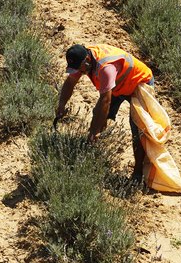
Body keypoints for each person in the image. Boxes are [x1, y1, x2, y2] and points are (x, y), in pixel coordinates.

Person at [55, 43, 154, 182]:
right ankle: (95, 156)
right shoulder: (83, 59)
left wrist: (94, 132)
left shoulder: (105, 68)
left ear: (87, 60)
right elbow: (71, 82)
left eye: (79, 68)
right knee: (98, 115)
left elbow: (105, 101)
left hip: (139, 83)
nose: (78, 72)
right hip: (118, 85)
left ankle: (138, 174)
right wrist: (61, 104)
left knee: (138, 129)